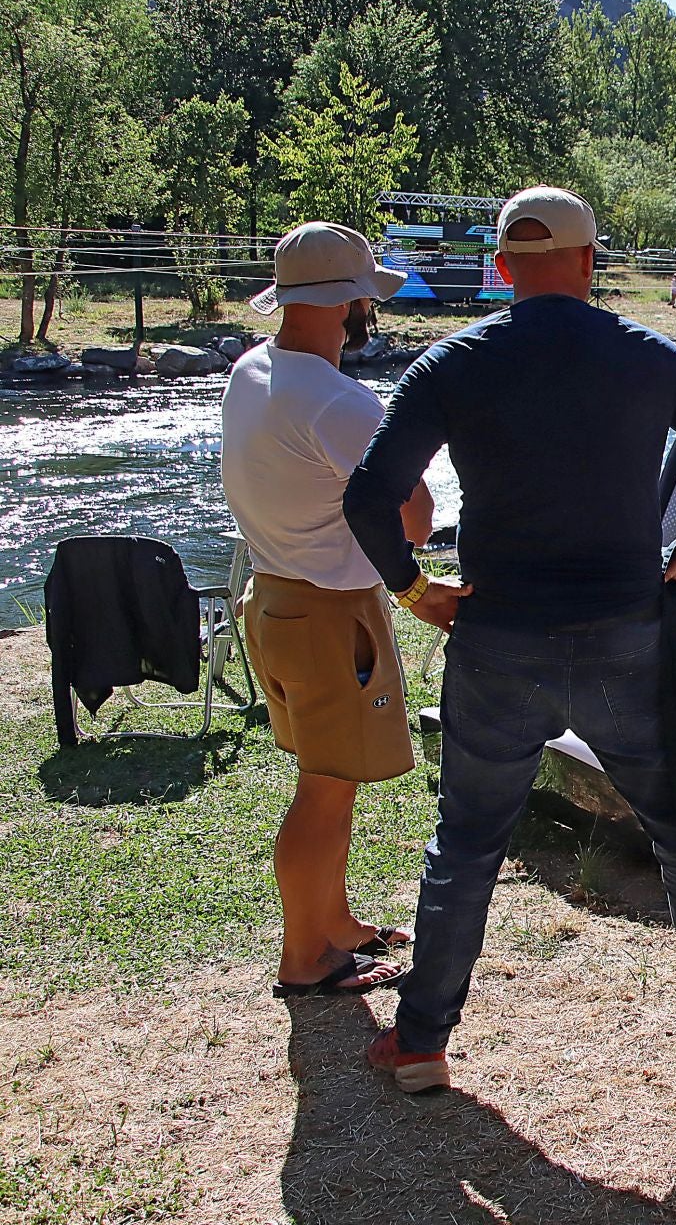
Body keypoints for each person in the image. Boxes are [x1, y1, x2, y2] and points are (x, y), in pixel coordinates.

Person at [343, 187, 676, 1093]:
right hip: (629, 631)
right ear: (590, 262)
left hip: (499, 635)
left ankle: (422, 1038)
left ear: (502, 268)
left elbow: (366, 496)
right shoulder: (645, 356)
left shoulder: (452, 365)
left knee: (466, 842)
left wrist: (416, 589)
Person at [221, 223, 434, 997]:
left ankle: (333, 924)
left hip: (275, 600)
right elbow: (414, 517)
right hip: (331, 615)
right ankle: (306, 958)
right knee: (324, 789)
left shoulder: (252, 369)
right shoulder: (339, 400)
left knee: (326, 779)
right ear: (348, 302)